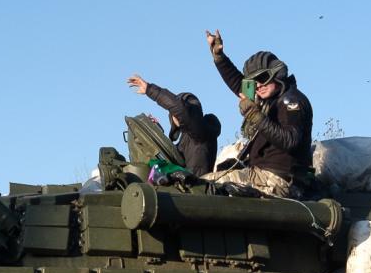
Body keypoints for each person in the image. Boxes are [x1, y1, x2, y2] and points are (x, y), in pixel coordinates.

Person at [205, 29, 312, 198]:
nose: (258, 85)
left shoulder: (291, 101)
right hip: (261, 174)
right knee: (201, 182)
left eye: (262, 78)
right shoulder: (269, 98)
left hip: (278, 179)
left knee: (204, 186)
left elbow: (290, 140)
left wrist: (255, 115)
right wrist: (219, 57)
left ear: (277, 74)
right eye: (253, 82)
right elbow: (239, 85)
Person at [126, 74, 222, 175]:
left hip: (197, 186)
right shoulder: (188, 139)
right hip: (188, 186)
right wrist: (156, 130)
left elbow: (182, 111)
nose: (176, 115)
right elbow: (175, 161)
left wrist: (149, 89)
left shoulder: (200, 133)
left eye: (176, 112)